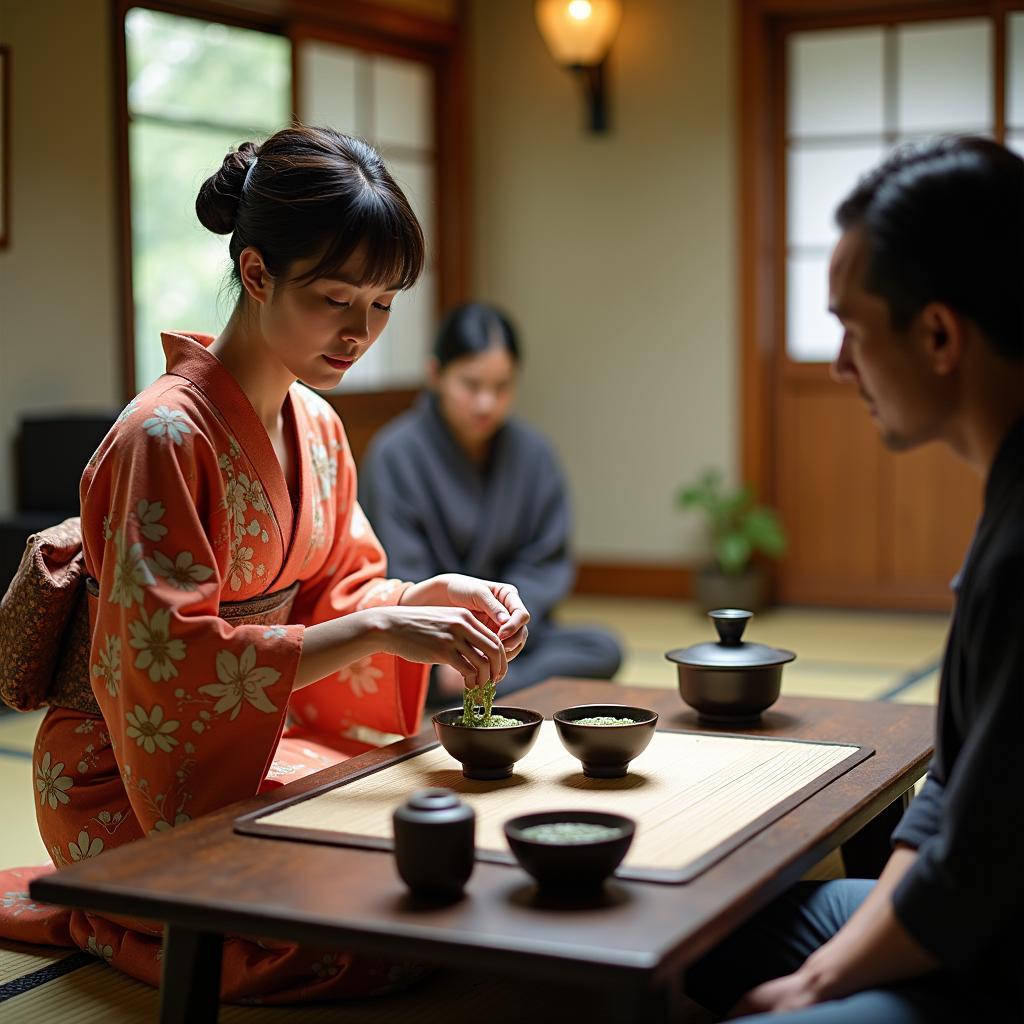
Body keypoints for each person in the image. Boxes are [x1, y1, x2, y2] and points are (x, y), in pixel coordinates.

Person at [0, 126, 529, 1003]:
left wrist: (423, 598)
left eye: (384, 303)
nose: (362, 330)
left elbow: (340, 588)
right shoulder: (161, 436)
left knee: (446, 870)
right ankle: (100, 908)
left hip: (254, 740)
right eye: (336, 299)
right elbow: (163, 666)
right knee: (341, 939)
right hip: (131, 774)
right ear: (254, 272)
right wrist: (380, 626)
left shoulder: (317, 427)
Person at [685, 136, 1023, 1021]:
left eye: (852, 329)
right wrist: (840, 958)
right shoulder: (1007, 489)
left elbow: (980, 872)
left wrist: (821, 981)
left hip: (1001, 954)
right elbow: (956, 787)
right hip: (972, 916)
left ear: (940, 334)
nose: (839, 365)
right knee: (690, 929)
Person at [359, 302, 622, 706]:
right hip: (432, 640)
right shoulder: (395, 454)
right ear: (435, 375)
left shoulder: (534, 454)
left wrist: (503, 628)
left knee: (602, 647)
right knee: (392, 668)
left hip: (510, 636)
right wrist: (453, 638)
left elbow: (544, 561)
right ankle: (474, 682)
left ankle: (475, 682)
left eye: (501, 387)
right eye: (471, 385)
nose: (486, 403)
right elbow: (401, 573)